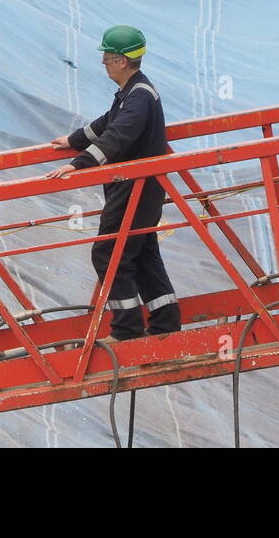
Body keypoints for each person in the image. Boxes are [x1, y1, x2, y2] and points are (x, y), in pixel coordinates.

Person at [47, 25, 182, 340]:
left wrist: (77, 165)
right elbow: (107, 123)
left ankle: (127, 329)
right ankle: (166, 323)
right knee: (142, 252)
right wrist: (72, 139)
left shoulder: (139, 98)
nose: (103, 62)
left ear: (123, 61)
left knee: (109, 252)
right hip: (142, 190)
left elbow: (117, 137)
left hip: (134, 189)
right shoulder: (134, 93)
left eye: (107, 57)